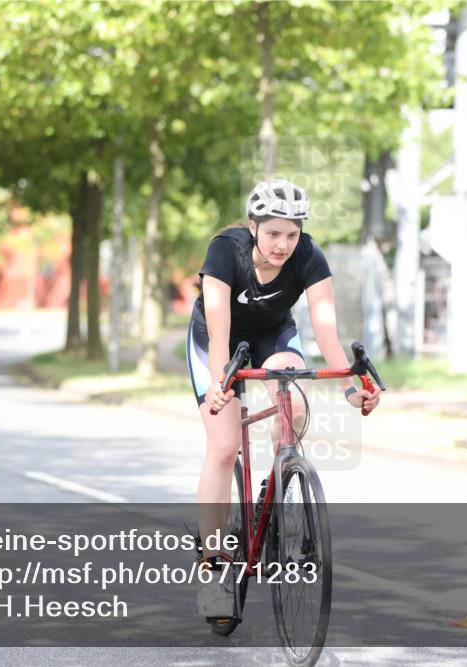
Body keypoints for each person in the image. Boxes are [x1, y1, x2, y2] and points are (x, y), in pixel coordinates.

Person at [187, 179, 381, 618]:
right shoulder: (226, 250)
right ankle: (215, 566)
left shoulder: (309, 256)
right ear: (254, 226)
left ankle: (277, 486)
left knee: (294, 391)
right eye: (273, 233)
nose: (283, 244)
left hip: (273, 334)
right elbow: (218, 323)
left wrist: (352, 390)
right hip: (215, 340)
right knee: (223, 446)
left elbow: (326, 330)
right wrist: (222, 380)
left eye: (292, 235)